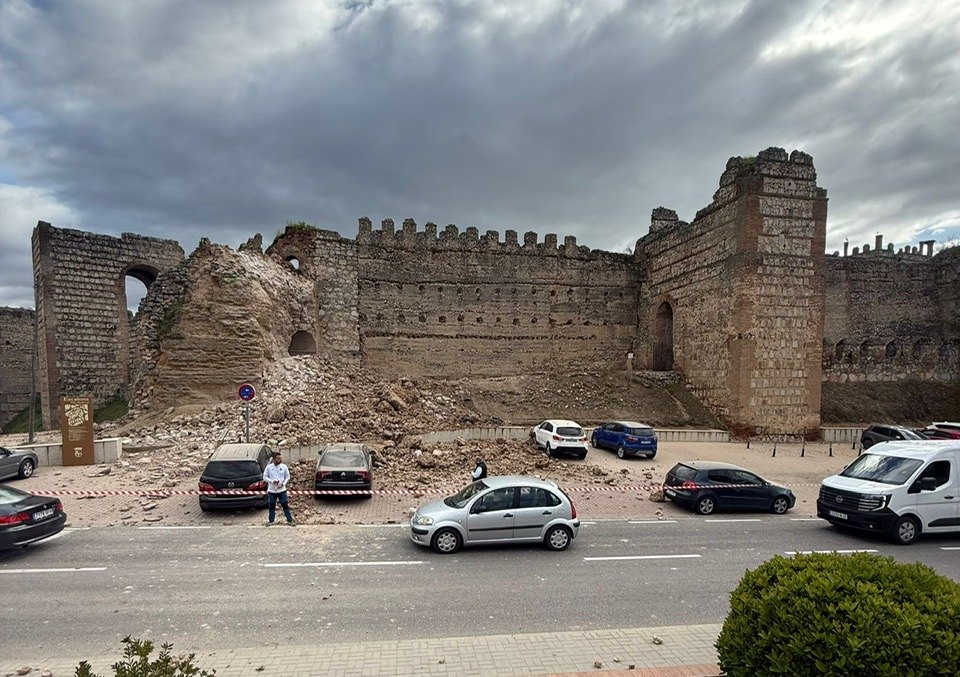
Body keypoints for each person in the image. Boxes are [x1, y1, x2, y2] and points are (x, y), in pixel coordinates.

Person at [263, 451, 296, 526]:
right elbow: (264, 477)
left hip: (282, 490)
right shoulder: (269, 467)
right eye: (278, 458)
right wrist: (272, 481)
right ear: (274, 459)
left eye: (280, 458)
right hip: (272, 490)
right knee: (271, 505)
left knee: (285, 504)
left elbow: (288, 477)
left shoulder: (284, 467)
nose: (280, 460)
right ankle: (271, 521)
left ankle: (290, 520)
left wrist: (283, 484)